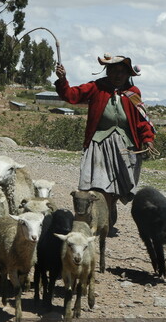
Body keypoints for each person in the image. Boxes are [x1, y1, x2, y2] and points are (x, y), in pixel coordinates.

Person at [54, 54, 156, 227]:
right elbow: (71, 95)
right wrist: (63, 80)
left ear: (128, 75)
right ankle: (101, 218)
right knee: (98, 183)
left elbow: (142, 119)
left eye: (122, 72)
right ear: (108, 72)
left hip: (125, 145)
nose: (118, 75)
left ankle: (111, 205)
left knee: (120, 184)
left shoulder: (133, 93)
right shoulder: (96, 87)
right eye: (114, 71)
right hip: (99, 143)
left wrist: (148, 138)